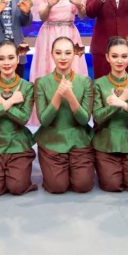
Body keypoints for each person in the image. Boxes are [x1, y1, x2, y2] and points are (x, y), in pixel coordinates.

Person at [33, 36, 95, 194]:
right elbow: (44, 121)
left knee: (83, 185)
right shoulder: (41, 82)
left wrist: (70, 96)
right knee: (57, 187)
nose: (63, 57)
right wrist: (58, 95)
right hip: (52, 140)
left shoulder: (85, 81)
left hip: (79, 140)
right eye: (58, 52)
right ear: (51, 54)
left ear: (74, 54)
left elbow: (84, 120)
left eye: (68, 53)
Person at [0, 40, 37, 195]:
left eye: (11, 57)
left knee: (17, 187)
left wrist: (0, 103)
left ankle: (16, 173)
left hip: (18, 142)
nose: (6, 63)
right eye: (1, 58)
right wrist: (8, 102)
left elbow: (23, 119)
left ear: (18, 59)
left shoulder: (27, 86)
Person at [91, 36, 128, 192]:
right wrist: (120, 100)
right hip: (106, 140)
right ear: (107, 57)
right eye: (115, 56)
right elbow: (97, 117)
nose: (119, 60)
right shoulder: (98, 84)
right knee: (112, 185)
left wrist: (124, 104)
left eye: (124, 56)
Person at [30, 0, 89, 83]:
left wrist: (79, 5)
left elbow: (82, 15)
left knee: (73, 72)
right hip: (48, 34)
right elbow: (42, 17)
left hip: (70, 33)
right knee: (48, 72)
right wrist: (49, 5)